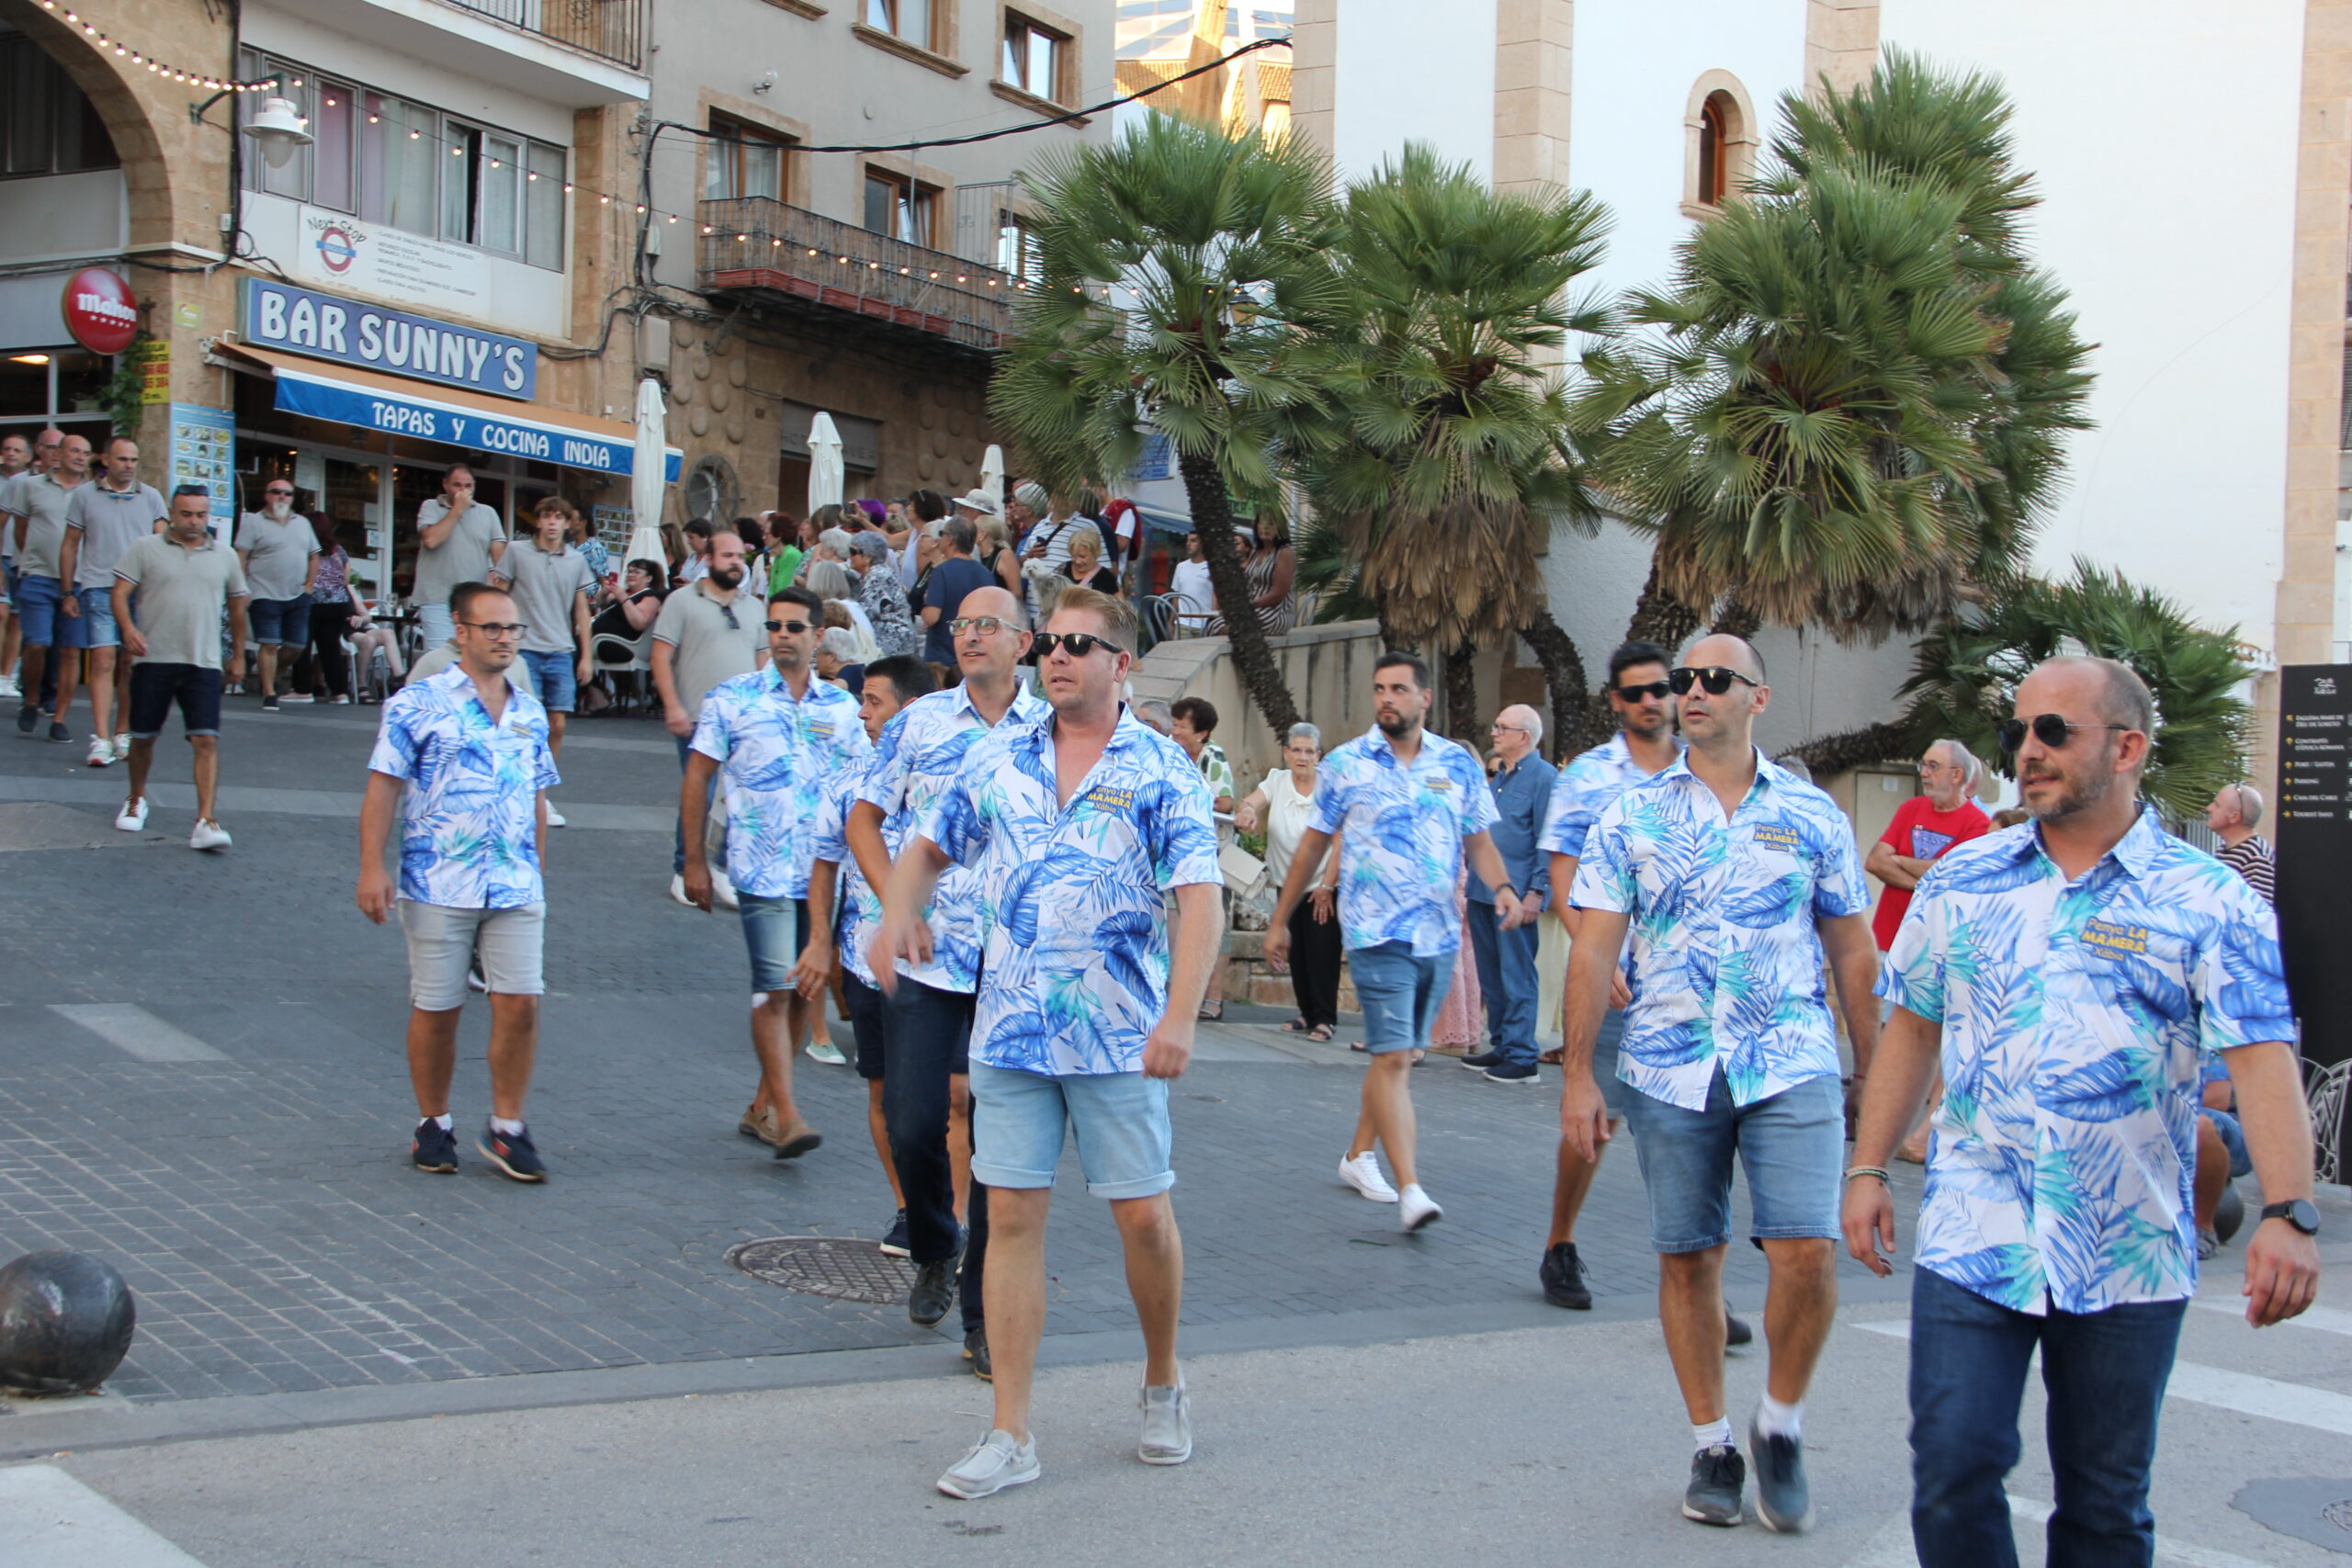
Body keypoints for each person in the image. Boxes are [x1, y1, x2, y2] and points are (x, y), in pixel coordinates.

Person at [1846, 655, 2319, 1568]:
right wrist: (1867, 1170)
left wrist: (2288, 1212)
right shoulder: (1963, 879)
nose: (2028, 750)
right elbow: (1911, 1031)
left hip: (2127, 1248)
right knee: (1950, 1469)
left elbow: (2262, 1062)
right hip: (1973, 1231)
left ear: (2128, 747)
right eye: (2019, 732)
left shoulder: (2209, 900)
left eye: (2053, 731)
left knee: (2103, 1505)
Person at [876, 587, 1220, 1499]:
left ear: (1121, 662)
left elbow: (1198, 898)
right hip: (1011, 1033)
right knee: (1014, 1220)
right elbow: (927, 842)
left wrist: (1180, 1016)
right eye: (1050, 645)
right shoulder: (1000, 758)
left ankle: (1161, 1381)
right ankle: (1009, 1432)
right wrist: (895, 911)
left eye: (1078, 644)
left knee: (1141, 1217)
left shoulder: (1160, 769)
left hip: (1118, 1039)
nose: (1056, 657)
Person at [1561, 635, 1879, 1533]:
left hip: (1791, 1060)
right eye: (1681, 681)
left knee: (1806, 1250)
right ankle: (1710, 1442)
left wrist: (1873, 1073)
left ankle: (1778, 1421)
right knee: (1689, 1257)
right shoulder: (1629, 816)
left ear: (1758, 699)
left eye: (1713, 680)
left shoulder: (1811, 816)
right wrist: (1577, 1074)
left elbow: (1852, 948)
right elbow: (1592, 946)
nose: (1691, 692)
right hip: (1667, 1064)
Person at [850, 586, 1050, 1370]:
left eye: (987, 625)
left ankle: (981, 1319)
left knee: (1001, 1140)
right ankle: (936, 1239)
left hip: (1017, 964)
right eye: (962, 623)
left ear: (1023, 643)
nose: (970, 636)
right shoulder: (918, 722)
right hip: (926, 957)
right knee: (912, 1119)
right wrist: (894, 903)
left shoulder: (1053, 728)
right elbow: (863, 816)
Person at [1265, 652, 1526, 1230]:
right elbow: (1313, 845)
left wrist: (1503, 886)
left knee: (1401, 1056)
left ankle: (1357, 1155)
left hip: (1437, 935)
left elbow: (1478, 840)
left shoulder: (1457, 763)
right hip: (1375, 933)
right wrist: (1281, 916)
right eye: (1379, 688)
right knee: (1391, 1055)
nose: (1387, 697)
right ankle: (1410, 1189)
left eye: (1399, 688)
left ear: (1424, 698)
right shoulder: (1347, 763)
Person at [358, 580, 559, 1183]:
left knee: (521, 1004)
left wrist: (538, 864)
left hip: (515, 884)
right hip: (439, 880)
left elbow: (538, 793)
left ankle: (507, 1126)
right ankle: (433, 1121)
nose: (505, 638)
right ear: (461, 632)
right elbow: (383, 786)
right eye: (492, 627)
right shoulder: (416, 704)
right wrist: (372, 866)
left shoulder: (528, 710)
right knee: (438, 1009)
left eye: (513, 628)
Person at [678, 583, 870, 1160]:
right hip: (758, 870)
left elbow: (865, 786)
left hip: (820, 874)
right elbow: (697, 778)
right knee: (776, 987)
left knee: (800, 987)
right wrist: (693, 858)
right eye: (775, 626)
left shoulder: (840, 709)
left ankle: (763, 1103)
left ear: (816, 636)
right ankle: (786, 1114)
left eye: (794, 627)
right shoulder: (732, 699)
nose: (783, 636)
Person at [1533, 641, 1687, 1313]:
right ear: (1617, 702)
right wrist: (1599, 953)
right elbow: (1563, 872)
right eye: (1636, 692)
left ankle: (1695, 1274)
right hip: (1615, 978)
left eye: (1661, 688)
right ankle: (1559, 1243)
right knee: (1595, 1121)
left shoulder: (1708, 767)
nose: (1651, 701)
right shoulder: (1589, 777)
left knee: (1689, 1127)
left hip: (1691, 985)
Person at [808, 653, 936, 1257]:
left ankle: (951, 1212)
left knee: (950, 1095)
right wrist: (816, 941)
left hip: (944, 968)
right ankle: (910, 1208)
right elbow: (824, 866)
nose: (861, 712)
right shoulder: (846, 780)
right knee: (885, 1091)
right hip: (867, 965)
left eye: (874, 701)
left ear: (911, 709)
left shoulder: (955, 775)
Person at [1868, 740, 1991, 1165]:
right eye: (1924, 763)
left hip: (1940, 944)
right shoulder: (1910, 811)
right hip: (1890, 937)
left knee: (1934, 1037)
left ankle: (1928, 1127)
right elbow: (1875, 861)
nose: (1924, 772)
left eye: (1933, 765)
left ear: (1958, 775)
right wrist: (1928, 877)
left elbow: (1954, 876)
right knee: (1892, 1032)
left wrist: (1904, 865)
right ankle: (1889, 1123)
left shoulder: (1977, 823)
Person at [110, 485, 249, 850]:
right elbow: (119, 592)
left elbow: (238, 609)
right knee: (142, 738)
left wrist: (236, 655)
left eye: (201, 515)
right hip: (153, 657)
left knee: (205, 739)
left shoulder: (225, 555)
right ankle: (136, 798)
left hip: (202, 661)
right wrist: (128, 629)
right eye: (186, 514)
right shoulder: (146, 547)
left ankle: (206, 819)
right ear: (172, 513)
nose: (194, 522)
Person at [651, 526, 765, 907]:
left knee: (739, 798)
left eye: (740, 557)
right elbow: (661, 655)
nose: (736, 563)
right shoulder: (682, 601)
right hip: (699, 717)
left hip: (746, 720)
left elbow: (763, 662)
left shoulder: (754, 606)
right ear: (708, 559)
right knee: (699, 794)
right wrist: (672, 705)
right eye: (727, 556)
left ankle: (720, 865)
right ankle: (684, 869)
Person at [58, 436, 165, 764]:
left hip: (141, 590)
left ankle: (122, 732)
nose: (129, 466)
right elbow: (70, 544)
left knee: (130, 664)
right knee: (103, 660)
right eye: (122, 460)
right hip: (99, 585)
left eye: (133, 460)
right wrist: (67, 591)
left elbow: (163, 545)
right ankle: (101, 738)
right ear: (106, 460)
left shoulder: (151, 497)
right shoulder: (84, 496)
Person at [1463, 705, 1555, 1084]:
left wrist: (1537, 891)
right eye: (1495, 724)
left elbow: (1550, 839)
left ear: (1524, 737)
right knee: (1492, 976)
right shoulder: (1499, 777)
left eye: (1502, 727)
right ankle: (1502, 1045)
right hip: (1482, 892)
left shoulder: (1544, 778)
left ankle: (1522, 1056)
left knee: (1518, 975)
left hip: (1516, 896)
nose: (1494, 732)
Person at [490, 499, 595, 826]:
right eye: (547, 516)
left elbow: (581, 609)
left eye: (559, 517)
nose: (552, 523)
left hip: (560, 649)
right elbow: (500, 596)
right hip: (524, 649)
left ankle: (540, 793)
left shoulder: (576, 560)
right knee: (521, 724)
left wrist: (586, 655)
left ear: (568, 523)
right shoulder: (518, 552)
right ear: (537, 521)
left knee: (558, 725)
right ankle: (512, 789)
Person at [1237, 723, 1341, 1040]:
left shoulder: (1329, 787)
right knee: (1297, 952)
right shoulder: (1276, 780)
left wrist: (1327, 887)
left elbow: (1341, 841)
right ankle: (1306, 1013)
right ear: (1286, 752)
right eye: (1296, 749)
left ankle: (1325, 1018)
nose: (1302, 756)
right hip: (1287, 884)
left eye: (1309, 751)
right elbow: (1251, 802)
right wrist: (1248, 811)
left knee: (1322, 952)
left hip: (1322, 884)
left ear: (1318, 756)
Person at [7, 429, 89, 740]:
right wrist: (29, 561)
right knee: (37, 643)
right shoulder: (29, 486)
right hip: (38, 575)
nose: (80, 457)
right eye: (74, 451)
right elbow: (21, 528)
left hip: (80, 581)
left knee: (70, 651)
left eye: (85, 453)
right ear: (59, 455)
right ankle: (31, 699)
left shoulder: (92, 492)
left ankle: (59, 718)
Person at [234, 478, 321, 711]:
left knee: (296, 646)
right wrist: (243, 587)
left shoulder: (302, 523)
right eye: (276, 492)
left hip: (297, 594)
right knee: (270, 644)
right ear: (266, 495)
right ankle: (269, 693)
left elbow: (314, 555)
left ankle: (270, 675)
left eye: (287, 493)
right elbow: (241, 555)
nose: (282, 497)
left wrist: (309, 585)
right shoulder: (253, 521)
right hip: (264, 592)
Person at [413, 467, 505, 647]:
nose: (463, 491)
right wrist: (457, 509)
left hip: (474, 601)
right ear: (445, 484)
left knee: (473, 660)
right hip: (436, 599)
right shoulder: (430, 506)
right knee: (442, 662)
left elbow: (501, 561)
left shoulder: (488, 513)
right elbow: (431, 540)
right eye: (457, 485)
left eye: (468, 486)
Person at [921, 517, 996, 674]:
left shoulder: (942, 571)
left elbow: (931, 617)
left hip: (942, 661)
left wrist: (925, 604)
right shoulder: (985, 574)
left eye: (942, 534)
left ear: (950, 539)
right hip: (975, 655)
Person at [303, 520, 359, 705]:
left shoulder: (307, 549)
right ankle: (340, 692)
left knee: (303, 646)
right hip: (338, 603)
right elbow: (346, 578)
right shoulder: (339, 550)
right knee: (331, 650)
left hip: (313, 601)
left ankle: (302, 690)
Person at [849, 531, 921, 659]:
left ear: (868, 556)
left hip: (894, 646)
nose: (850, 556)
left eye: (853, 552)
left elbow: (864, 613)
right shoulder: (876, 574)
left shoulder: (878, 576)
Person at [2207, 781, 2274, 904]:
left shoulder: (2256, 857)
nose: (2209, 808)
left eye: (2217, 805)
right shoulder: (2223, 850)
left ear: (2234, 817)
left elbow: (2258, 916)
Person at [0, 431, 29, 702]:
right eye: (7, 449)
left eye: (17, 450)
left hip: (21, 560)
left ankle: (7, 675)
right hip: (2, 557)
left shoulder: (29, 483)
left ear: (28, 456)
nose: (11, 453)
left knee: (17, 620)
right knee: (1, 614)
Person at [1168, 697, 1235, 814]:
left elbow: (1225, 804)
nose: (1175, 731)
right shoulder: (1168, 747)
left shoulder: (1212, 755)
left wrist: (1187, 804)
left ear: (1202, 734)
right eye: (1175, 724)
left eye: (1182, 727)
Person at [592, 558, 668, 650]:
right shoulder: (625, 592)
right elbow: (601, 603)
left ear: (649, 578)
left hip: (621, 643)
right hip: (601, 636)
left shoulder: (651, 596)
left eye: (637, 572)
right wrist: (604, 593)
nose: (631, 575)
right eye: (629, 572)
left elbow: (640, 623)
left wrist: (624, 600)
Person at [1243, 513, 1295, 634]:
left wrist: (1250, 606)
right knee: (1214, 623)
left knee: (1237, 625)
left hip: (1275, 612)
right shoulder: (1255, 552)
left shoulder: (1284, 552)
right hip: (1252, 608)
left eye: (1271, 524)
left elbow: (1279, 593)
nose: (1265, 527)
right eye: (1261, 523)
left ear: (1280, 528)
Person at [1053, 525, 1119, 602]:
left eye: (1082, 556)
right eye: (1074, 556)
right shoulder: (1062, 569)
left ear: (1095, 553)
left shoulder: (1105, 577)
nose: (1077, 561)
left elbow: (1118, 605)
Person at [1168, 531, 1216, 634]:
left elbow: (1216, 595)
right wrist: (1171, 622)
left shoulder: (1212, 567)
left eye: (1193, 541)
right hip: (1183, 623)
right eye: (1187, 540)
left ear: (1202, 544)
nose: (1188, 544)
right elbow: (1176, 596)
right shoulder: (1181, 567)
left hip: (1205, 624)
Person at [763, 513, 803, 598]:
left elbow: (782, 589)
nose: (764, 537)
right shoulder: (779, 556)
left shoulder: (790, 555)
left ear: (779, 535)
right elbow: (772, 589)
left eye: (767, 534)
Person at [677, 518, 713, 583]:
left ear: (704, 537)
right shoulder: (692, 557)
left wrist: (689, 585)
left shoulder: (714, 559)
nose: (689, 542)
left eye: (691, 538)